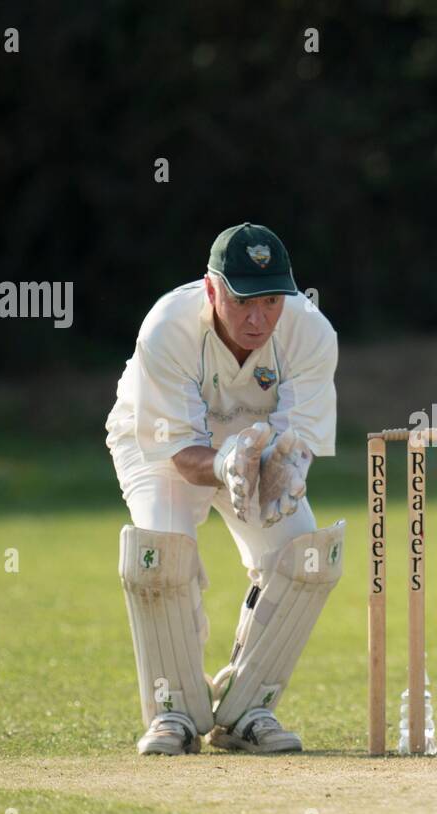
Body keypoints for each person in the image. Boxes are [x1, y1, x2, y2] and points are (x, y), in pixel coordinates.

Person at [104, 223, 343, 756]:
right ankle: (173, 713)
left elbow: (294, 442)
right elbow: (181, 452)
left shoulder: (310, 332)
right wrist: (225, 462)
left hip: (256, 446)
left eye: (271, 302)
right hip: (162, 443)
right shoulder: (168, 327)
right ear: (211, 290)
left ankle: (245, 709)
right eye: (242, 303)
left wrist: (279, 466)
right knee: (161, 556)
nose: (259, 319)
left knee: (305, 558)